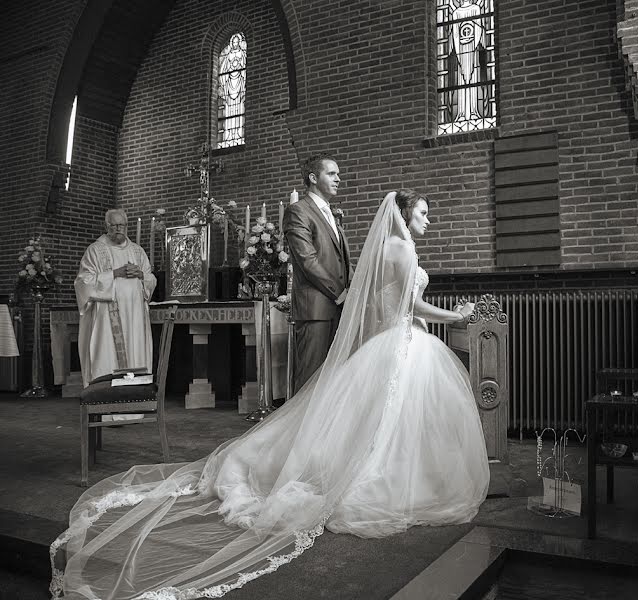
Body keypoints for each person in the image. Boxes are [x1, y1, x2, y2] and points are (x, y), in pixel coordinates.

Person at [51, 189, 488, 600]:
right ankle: (397, 480)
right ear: (404, 215)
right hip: (404, 341)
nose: (428, 221)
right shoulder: (405, 249)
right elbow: (408, 308)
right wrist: (456, 315)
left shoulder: (390, 249)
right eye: (424, 214)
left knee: (379, 420)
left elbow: (388, 303)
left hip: (391, 342)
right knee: (392, 422)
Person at [282, 154, 352, 393]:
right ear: (313, 177)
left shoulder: (331, 213)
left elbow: (342, 261)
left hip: (339, 308)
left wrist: (355, 290)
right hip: (315, 309)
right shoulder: (298, 211)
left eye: (338, 174)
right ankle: (300, 431)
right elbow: (307, 260)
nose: (338, 179)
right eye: (331, 174)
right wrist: (340, 293)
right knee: (310, 382)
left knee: (334, 381)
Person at [74, 209, 156, 386]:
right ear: (107, 226)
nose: (119, 229)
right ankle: (105, 403)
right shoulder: (95, 250)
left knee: (135, 355)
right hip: (106, 321)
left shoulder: (137, 251)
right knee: (107, 356)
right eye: (114, 225)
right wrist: (114, 274)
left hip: (134, 319)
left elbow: (151, 279)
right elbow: (83, 282)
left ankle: (134, 403)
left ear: (127, 226)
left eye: (122, 225)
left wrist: (141, 275)